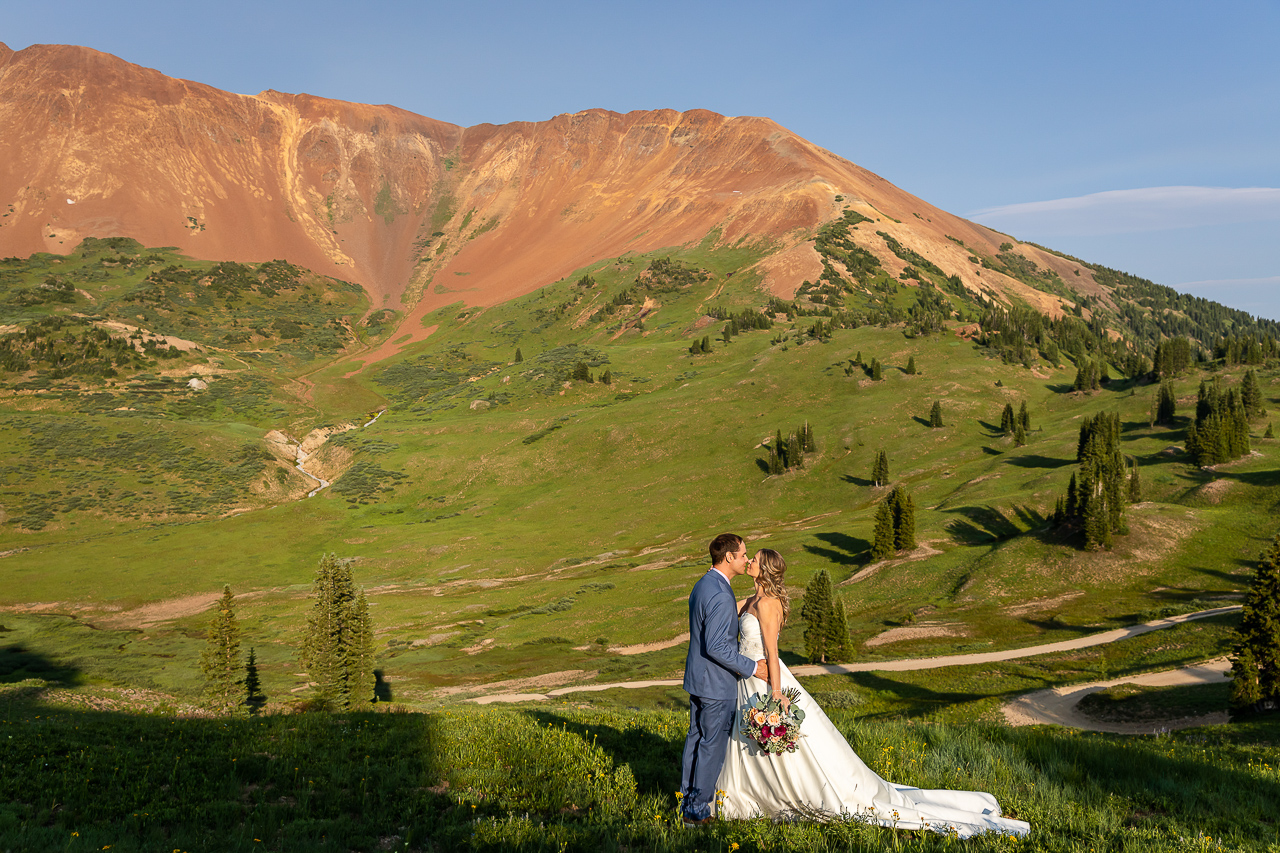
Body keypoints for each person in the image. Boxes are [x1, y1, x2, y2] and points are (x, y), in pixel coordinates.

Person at [716, 549, 1030, 839]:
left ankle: (789, 795)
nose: (751, 561)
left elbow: (772, 651)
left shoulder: (768, 604)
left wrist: (776, 693)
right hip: (746, 682)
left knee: (779, 743)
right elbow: (724, 612)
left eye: (755, 558)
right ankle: (751, 796)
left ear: (765, 570)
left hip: (767, 680)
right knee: (747, 741)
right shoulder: (749, 600)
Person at [680, 533, 769, 827]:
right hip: (716, 684)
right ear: (729, 557)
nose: (746, 559)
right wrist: (752, 668)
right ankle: (697, 812)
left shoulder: (704, 584)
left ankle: (687, 802)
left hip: (698, 679)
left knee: (696, 741)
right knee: (711, 746)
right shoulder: (719, 592)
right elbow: (717, 646)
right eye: (743, 555)